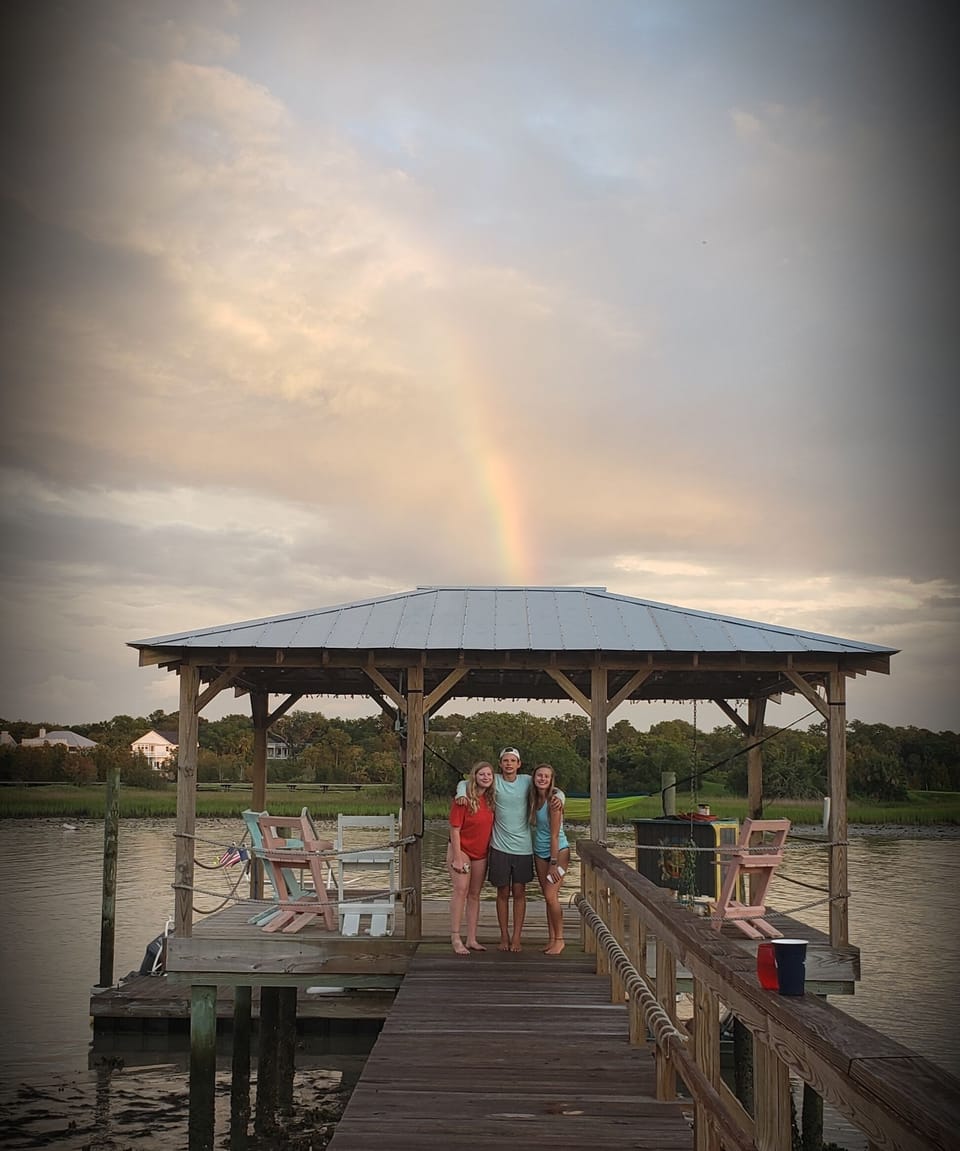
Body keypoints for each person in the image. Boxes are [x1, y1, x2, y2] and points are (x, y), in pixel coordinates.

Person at [456, 746, 562, 952]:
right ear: (500, 763)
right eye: (505, 760)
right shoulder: (493, 779)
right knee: (502, 893)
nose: (509, 764)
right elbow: (465, 782)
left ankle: (516, 938)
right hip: (499, 847)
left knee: (520, 893)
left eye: (513, 761)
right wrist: (461, 793)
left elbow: (550, 786)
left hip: (523, 848)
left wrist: (562, 798)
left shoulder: (526, 781)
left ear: (519, 764)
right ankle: (503, 937)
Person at [447, 761, 496, 955]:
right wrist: (458, 857)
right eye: (481, 774)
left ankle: (472, 938)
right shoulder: (463, 799)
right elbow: (454, 829)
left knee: (475, 894)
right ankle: (455, 936)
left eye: (489, 775)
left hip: (481, 853)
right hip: (461, 850)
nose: (485, 777)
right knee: (461, 890)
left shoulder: (491, 800)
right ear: (474, 776)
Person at [529, 763, 570, 955]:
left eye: (546, 776)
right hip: (540, 851)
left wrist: (554, 863)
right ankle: (551, 938)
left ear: (551, 779)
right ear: (534, 777)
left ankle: (560, 939)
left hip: (558, 852)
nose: (542, 779)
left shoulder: (554, 801)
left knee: (550, 895)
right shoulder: (534, 798)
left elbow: (554, 835)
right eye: (539, 775)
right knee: (547, 895)